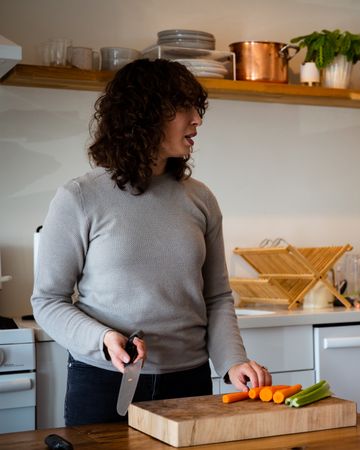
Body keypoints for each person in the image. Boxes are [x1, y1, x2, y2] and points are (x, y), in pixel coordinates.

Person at [31, 59, 271, 426]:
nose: (197, 120)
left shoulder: (200, 199)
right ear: (144, 114)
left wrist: (233, 361)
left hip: (188, 383)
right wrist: (103, 338)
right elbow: (48, 300)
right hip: (105, 381)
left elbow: (217, 297)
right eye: (184, 108)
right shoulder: (80, 197)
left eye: (198, 109)